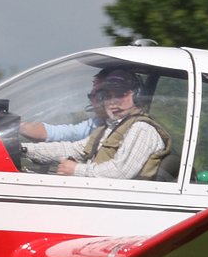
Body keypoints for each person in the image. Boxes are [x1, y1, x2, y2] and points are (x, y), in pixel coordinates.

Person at [23, 71, 172, 179]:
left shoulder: (141, 129)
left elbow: (121, 172)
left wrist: (76, 170)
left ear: (137, 95)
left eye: (120, 95)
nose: (113, 102)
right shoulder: (109, 128)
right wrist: (23, 149)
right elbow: (74, 149)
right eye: (108, 97)